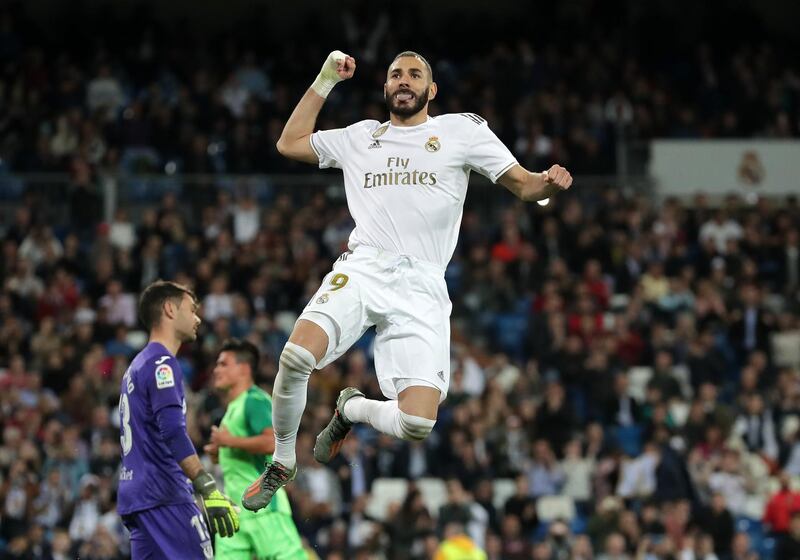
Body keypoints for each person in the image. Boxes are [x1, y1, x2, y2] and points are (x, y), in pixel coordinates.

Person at [243, 49, 573, 511]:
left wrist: (548, 182)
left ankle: (350, 409)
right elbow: (289, 142)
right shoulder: (361, 137)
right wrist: (324, 80)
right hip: (364, 268)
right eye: (395, 74)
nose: (404, 80)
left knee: (418, 424)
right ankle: (282, 461)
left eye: (415, 74)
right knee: (296, 355)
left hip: (422, 284)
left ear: (431, 90)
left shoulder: (460, 131)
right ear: (385, 88)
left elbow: (523, 184)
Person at [117, 280, 239, 558]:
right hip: (165, 496)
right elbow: (172, 432)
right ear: (170, 309)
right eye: (192, 309)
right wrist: (207, 486)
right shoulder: (163, 363)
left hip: (138, 498)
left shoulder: (136, 366)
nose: (197, 318)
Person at [204, 338, 306, 559]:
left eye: (223, 364)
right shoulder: (234, 408)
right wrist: (218, 453)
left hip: (264, 510)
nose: (216, 370)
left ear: (243, 368)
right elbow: (239, 455)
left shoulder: (255, 400)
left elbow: (273, 442)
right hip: (235, 511)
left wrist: (228, 442)